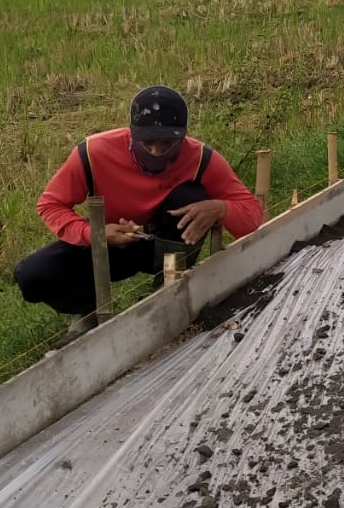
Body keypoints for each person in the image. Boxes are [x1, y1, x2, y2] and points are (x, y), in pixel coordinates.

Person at [14, 86, 264, 337]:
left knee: (192, 196)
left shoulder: (201, 158)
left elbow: (253, 215)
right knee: (32, 275)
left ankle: (169, 287)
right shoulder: (93, 153)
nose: (156, 152)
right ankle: (87, 309)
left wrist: (220, 208)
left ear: (183, 137)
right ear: (131, 134)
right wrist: (96, 234)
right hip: (109, 246)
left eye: (167, 144)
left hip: (165, 243)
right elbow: (50, 205)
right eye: (147, 143)